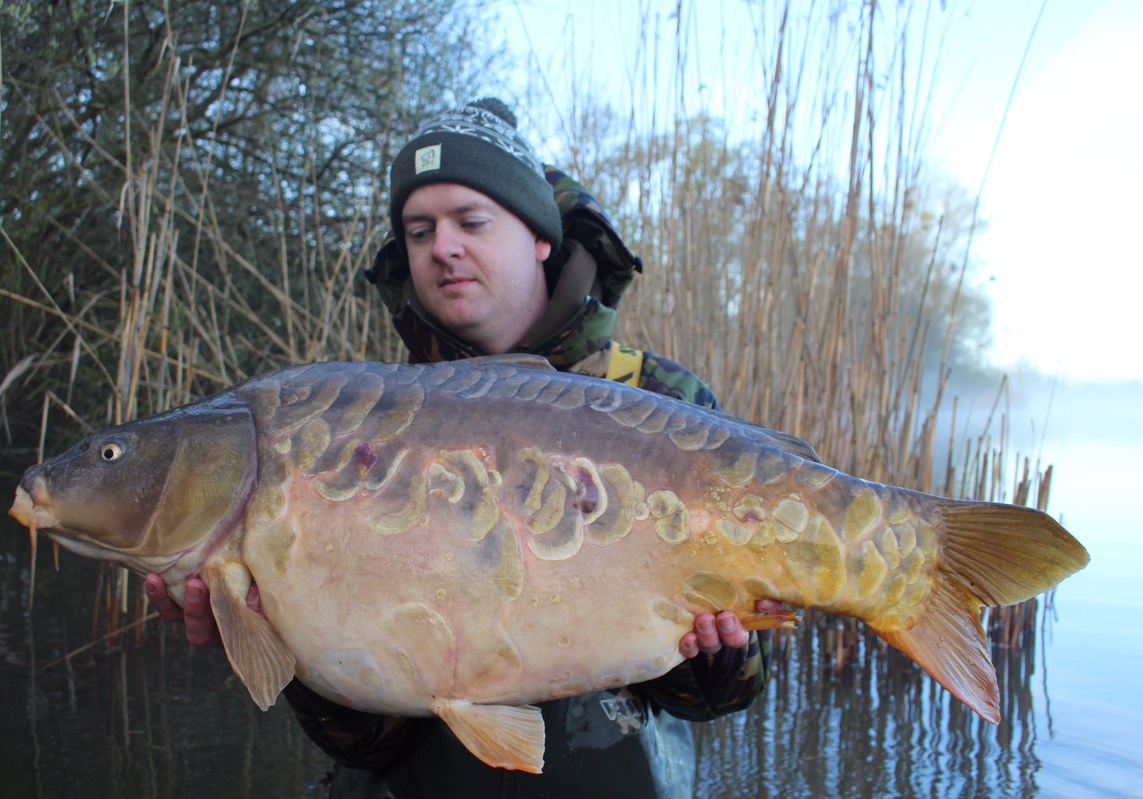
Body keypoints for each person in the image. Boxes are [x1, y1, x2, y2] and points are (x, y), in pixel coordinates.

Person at [146, 98, 772, 798]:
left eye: (470, 222)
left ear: (539, 236)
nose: (442, 247)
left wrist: (718, 657)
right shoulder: (351, 435)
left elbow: (721, 697)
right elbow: (372, 744)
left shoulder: (662, 402)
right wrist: (282, 633)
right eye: (419, 230)